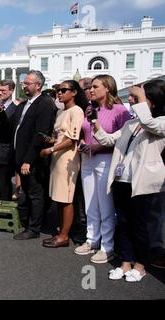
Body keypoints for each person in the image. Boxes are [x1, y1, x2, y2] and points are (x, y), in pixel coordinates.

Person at [91, 80, 165, 281]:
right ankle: (125, 263)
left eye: (139, 98)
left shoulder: (161, 122)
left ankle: (140, 265)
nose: (132, 100)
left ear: (153, 100)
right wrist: (95, 123)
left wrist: (140, 98)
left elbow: (150, 123)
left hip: (143, 183)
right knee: (122, 223)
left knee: (139, 226)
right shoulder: (130, 123)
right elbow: (107, 140)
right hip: (122, 180)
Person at [74, 74, 132, 264]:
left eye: (95, 87)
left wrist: (99, 146)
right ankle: (92, 240)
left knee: (105, 205)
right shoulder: (90, 108)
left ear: (108, 88)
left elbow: (124, 139)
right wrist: (83, 142)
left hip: (106, 159)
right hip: (87, 159)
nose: (90, 90)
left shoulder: (119, 110)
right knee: (90, 203)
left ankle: (107, 246)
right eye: (90, 87)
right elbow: (85, 131)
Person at [0, 71, 56, 240]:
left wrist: (28, 160)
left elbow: (40, 134)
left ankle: (34, 228)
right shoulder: (24, 104)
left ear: (38, 85)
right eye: (23, 83)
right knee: (27, 192)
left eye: (27, 83)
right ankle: (29, 221)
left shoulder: (45, 103)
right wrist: (1, 113)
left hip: (32, 158)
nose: (24, 86)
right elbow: (12, 126)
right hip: (18, 155)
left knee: (35, 193)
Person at [40, 80, 86, 248]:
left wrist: (50, 149)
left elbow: (72, 140)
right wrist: (50, 140)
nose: (59, 93)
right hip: (57, 157)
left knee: (66, 199)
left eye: (63, 90)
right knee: (59, 198)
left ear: (74, 92)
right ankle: (61, 232)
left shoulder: (77, 111)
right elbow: (60, 136)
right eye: (58, 90)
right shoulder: (61, 112)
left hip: (68, 158)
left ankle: (64, 236)